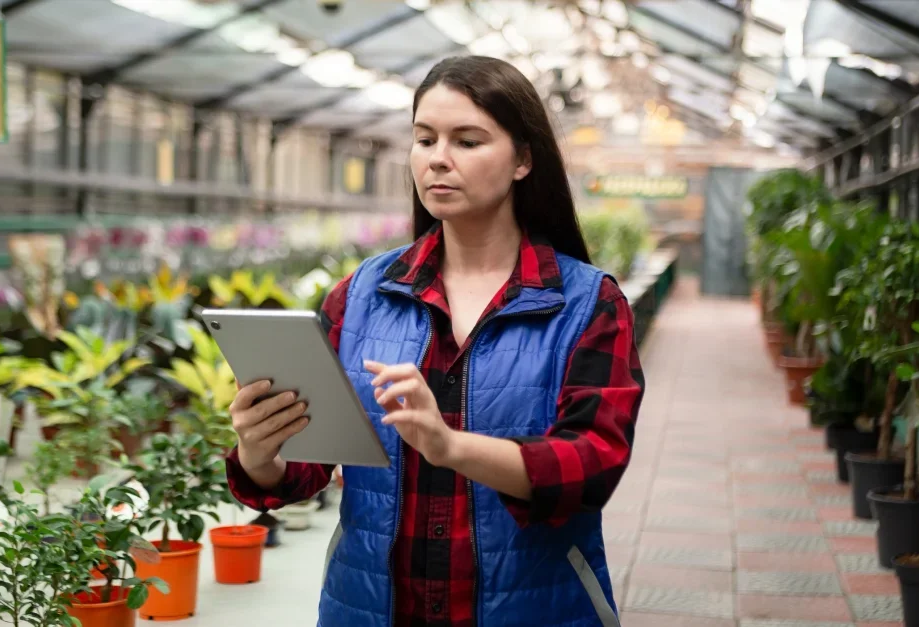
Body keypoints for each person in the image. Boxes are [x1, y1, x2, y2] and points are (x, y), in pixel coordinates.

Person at [226, 55, 644, 627]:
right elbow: (308, 469)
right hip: (369, 608)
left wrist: (450, 447)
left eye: (467, 141)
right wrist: (259, 452)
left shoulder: (585, 303)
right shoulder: (361, 295)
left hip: (534, 608)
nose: (437, 159)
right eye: (424, 139)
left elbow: (592, 464)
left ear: (524, 159)